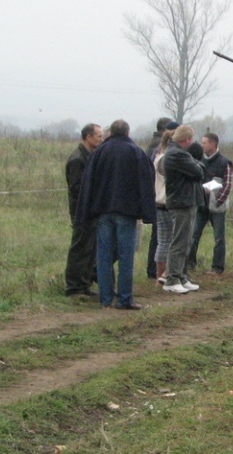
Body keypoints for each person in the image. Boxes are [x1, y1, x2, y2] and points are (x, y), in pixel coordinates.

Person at [74, 120, 156, 309]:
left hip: (103, 212)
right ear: (127, 133)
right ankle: (125, 299)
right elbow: (146, 181)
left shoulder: (99, 152)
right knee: (125, 256)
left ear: (111, 133)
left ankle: (105, 298)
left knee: (103, 257)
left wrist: (86, 211)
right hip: (127, 212)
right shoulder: (136, 152)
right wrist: (147, 212)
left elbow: (88, 182)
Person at [161, 125, 206, 295]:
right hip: (181, 202)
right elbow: (199, 172)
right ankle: (172, 278)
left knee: (186, 241)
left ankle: (181, 276)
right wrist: (196, 164)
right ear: (187, 139)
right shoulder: (177, 154)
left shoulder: (178, 153)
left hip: (187, 200)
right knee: (179, 241)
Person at [64, 123, 104, 297]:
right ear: (89, 137)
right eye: (99, 136)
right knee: (80, 248)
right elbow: (76, 189)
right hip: (81, 212)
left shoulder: (89, 156)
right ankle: (74, 287)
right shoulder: (77, 159)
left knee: (89, 249)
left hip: (90, 211)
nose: (101, 139)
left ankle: (84, 284)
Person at [189, 132, 232, 275]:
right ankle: (190, 264)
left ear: (213, 144)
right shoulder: (200, 161)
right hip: (201, 206)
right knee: (194, 235)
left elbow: (227, 185)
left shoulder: (225, 162)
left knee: (219, 238)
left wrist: (217, 201)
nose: (202, 145)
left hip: (216, 207)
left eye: (205, 143)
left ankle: (217, 267)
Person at [145, 116, 174, 279]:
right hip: (160, 195)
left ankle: (153, 270)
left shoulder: (151, 144)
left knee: (157, 236)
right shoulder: (160, 148)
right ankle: (157, 272)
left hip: (153, 193)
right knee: (161, 238)